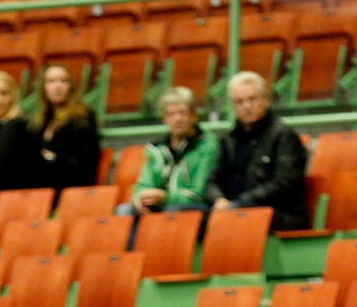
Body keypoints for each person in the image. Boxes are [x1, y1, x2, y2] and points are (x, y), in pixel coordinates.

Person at [205, 72, 309, 232]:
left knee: (232, 217)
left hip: (277, 212)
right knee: (184, 214)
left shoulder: (283, 136)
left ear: (265, 100)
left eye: (252, 99)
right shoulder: (229, 139)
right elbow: (212, 180)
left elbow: (285, 183)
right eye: (239, 102)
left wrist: (241, 201)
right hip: (231, 208)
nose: (246, 106)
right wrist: (218, 200)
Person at [121, 86, 219, 218]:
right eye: (171, 114)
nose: (177, 119)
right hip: (163, 204)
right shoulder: (157, 149)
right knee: (124, 211)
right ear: (164, 119)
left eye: (182, 113)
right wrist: (139, 198)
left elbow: (199, 192)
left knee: (171, 211)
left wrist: (165, 197)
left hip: (196, 207)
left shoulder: (207, 145)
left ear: (194, 116)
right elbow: (144, 183)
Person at [33, 64, 101, 193]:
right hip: (42, 182)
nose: (57, 86)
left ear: (71, 87)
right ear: (43, 88)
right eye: (51, 81)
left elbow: (86, 162)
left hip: (71, 182)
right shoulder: (41, 121)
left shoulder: (83, 116)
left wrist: (50, 157)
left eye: (64, 81)